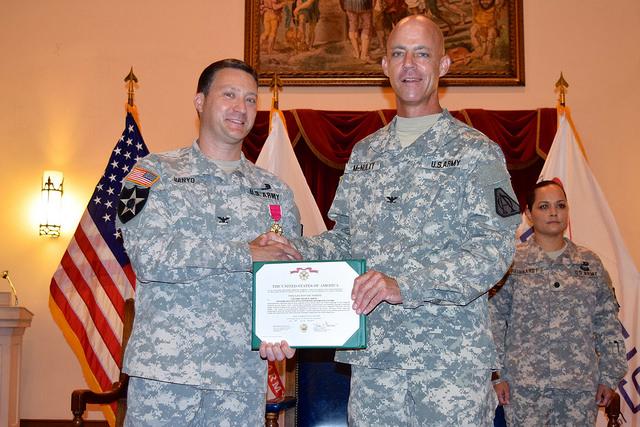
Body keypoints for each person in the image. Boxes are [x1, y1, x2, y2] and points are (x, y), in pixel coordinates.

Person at [266, 15, 521, 425]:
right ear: (384, 66)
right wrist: (291, 250)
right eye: (399, 53)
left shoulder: (478, 152)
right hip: (375, 365)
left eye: (422, 54)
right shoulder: (366, 153)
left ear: (443, 66)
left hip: (448, 365)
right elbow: (345, 241)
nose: (409, 65)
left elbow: (494, 250)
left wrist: (404, 285)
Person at [116, 58, 300, 426]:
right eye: (229, 95)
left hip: (240, 379)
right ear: (200, 101)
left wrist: (287, 327)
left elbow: (288, 276)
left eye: (250, 99)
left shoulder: (276, 192)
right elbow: (150, 257)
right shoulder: (149, 174)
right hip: (166, 376)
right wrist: (245, 252)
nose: (241, 108)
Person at [489, 180, 628, 426]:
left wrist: (609, 376)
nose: (554, 212)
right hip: (524, 388)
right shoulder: (512, 263)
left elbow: (607, 324)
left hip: (578, 388)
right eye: (544, 206)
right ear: (529, 214)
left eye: (560, 205)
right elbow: (494, 321)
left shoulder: (590, 263)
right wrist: (497, 375)